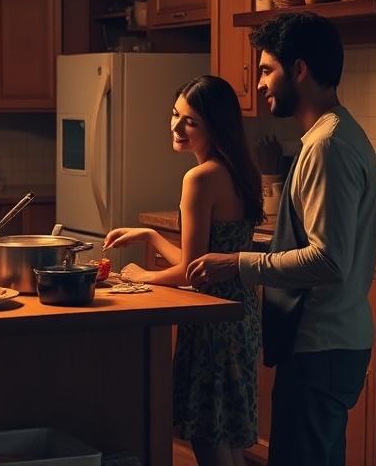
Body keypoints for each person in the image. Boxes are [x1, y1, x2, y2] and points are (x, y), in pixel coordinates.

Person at [186, 12, 376, 466]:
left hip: (321, 345)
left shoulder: (328, 146)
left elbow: (328, 260)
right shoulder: (331, 135)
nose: (259, 84)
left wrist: (237, 263)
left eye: (267, 70)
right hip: (327, 345)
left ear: (300, 69)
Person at [104, 75, 264, 466]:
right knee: (227, 435)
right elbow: (204, 256)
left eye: (190, 121)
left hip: (211, 322)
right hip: (241, 314)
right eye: (175, 115)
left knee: (209, 437)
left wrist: (140, 277)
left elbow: (192, 271)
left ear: (215, 125)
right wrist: (150, 236)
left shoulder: (199, 177)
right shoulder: (239, 169)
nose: (176, 127)